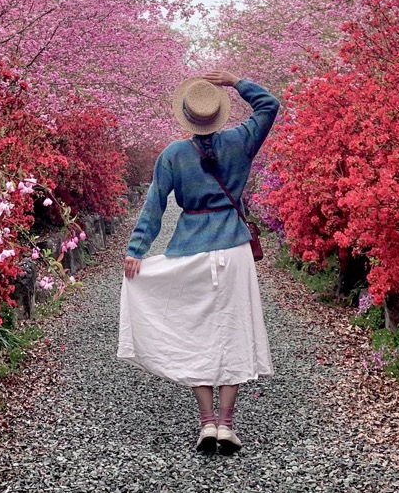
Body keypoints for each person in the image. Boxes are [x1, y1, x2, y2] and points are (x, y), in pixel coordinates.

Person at [117, 70, 280, 456]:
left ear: (187, 116)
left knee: (197, 332)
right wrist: (235, 81)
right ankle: (227, 425)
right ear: (218, 114)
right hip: (235, 249)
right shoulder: (241, 141)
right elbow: (269, 105)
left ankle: (207, 423)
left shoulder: (174, 155)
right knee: (234, 331)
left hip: (190, 249)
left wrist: (137, 249)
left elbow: (154, 203)